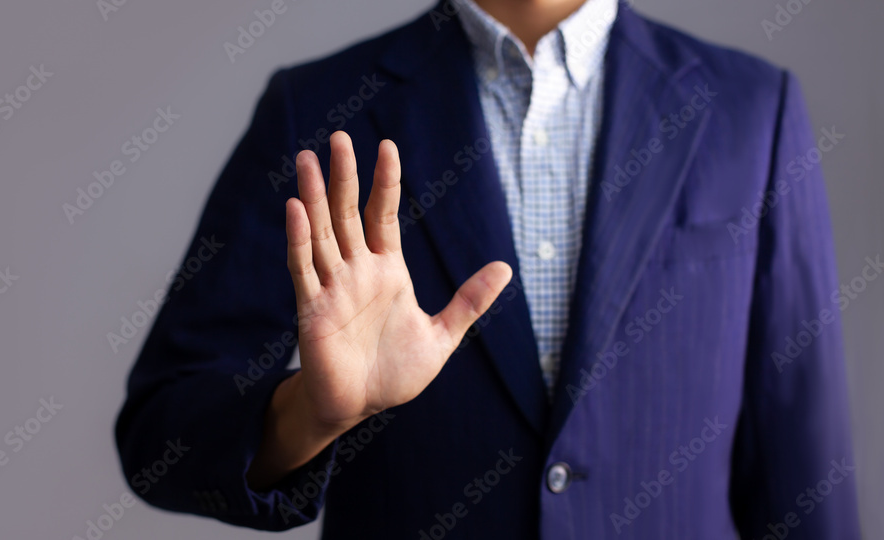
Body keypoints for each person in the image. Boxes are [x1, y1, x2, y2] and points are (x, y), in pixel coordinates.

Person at [115, 0, 860, 537]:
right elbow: (162, 438)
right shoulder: (318, 109)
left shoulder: (752, 111)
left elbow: (803, 451)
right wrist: (312, 410)